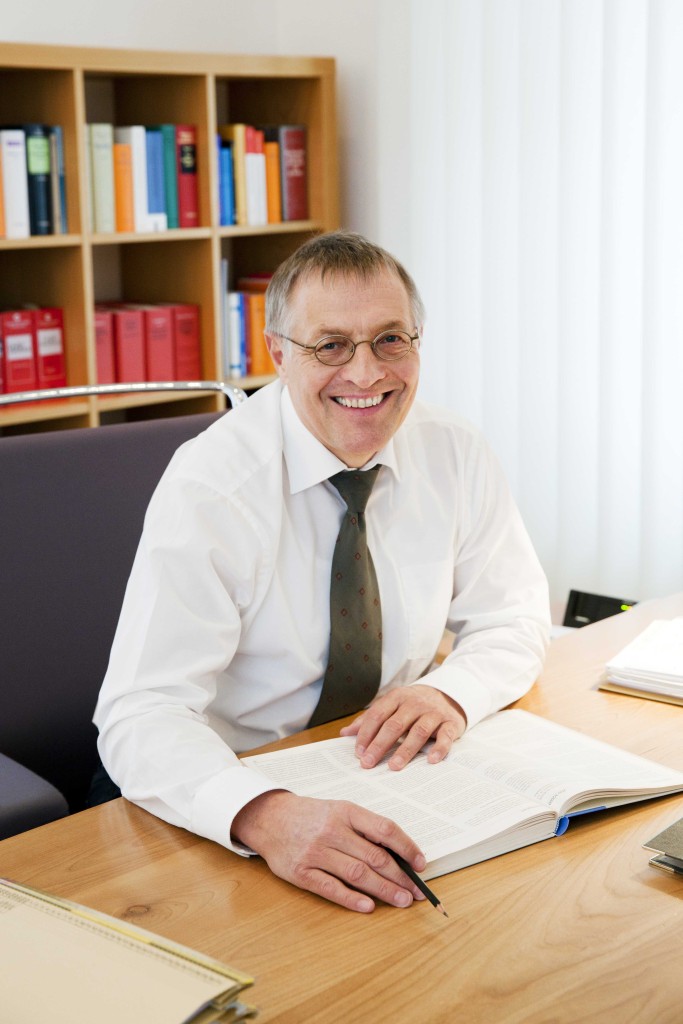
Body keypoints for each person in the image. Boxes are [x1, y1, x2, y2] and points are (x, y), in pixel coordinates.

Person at [94, 231, 550, 914]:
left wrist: (450, 692)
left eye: (390, 339)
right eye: (331, 345)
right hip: (229, 790)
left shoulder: (454, 451)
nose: (365, 374)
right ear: (278, 353)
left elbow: (514, 615)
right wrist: (262, 813)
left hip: (386, 774)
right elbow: (141, 712)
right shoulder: (212, 486)